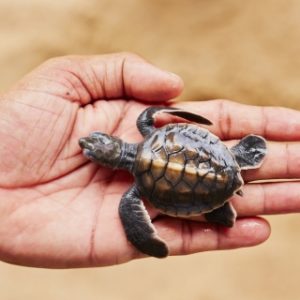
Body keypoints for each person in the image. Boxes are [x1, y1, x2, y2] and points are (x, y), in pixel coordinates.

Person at [0, 52, 299, 268]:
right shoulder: (147, 129)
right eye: (94, 148)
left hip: (193, 181)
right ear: (113, 147)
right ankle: (234, 168)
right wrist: (148, 240)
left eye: (94, 146)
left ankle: (220, 206)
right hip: (209, 155)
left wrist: (147, 242)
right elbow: (157, 115)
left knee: (210, 212)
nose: (87, 145)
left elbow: (136, 225)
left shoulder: (135, 193)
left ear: (111, 160)